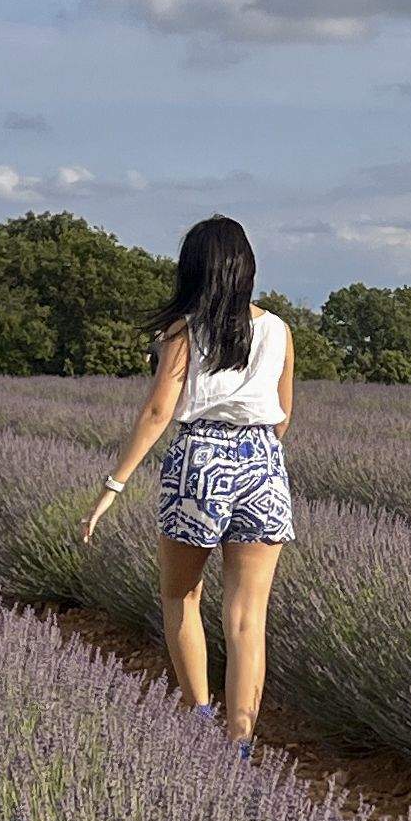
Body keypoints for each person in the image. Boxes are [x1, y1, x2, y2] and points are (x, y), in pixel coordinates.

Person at [79, 217, 295, 748]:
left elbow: (158, 410)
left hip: (200, 458)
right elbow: (284, 415)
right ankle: (240, 742)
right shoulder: (279, 330)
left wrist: (113, 485)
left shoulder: (185, 330)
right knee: (247, 618)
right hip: (264, 461)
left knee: (182, 596)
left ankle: (200, 722)